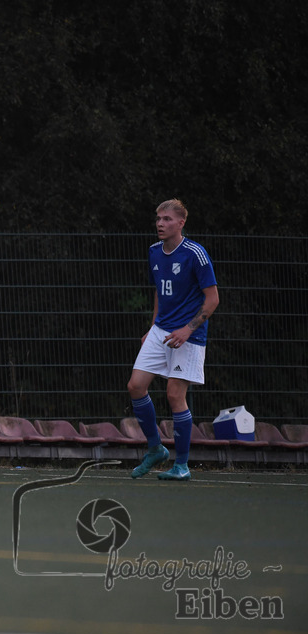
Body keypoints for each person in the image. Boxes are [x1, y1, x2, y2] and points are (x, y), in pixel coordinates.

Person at [127, 199, 219, 482]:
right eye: (158, 218)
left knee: (174, 395)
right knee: (136, 386)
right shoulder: (154, 252)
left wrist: (188, 330)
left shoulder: (195, 254)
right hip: (161, 329)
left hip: (188, 334)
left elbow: (213, 299)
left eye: (166, 219)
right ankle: (155, 449)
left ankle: (181, 465)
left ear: (181, 223)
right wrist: (153, 325)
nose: (160, 223)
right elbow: (159, 291)